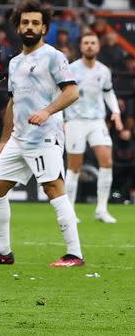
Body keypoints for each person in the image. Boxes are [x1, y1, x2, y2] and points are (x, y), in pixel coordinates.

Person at [0, 1, 83, 267]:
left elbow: (72, 92)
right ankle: (2, 252)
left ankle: (74, 253)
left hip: (45, 136)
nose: (30, 27)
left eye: (35, 23)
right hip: (19, 139)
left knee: (53, 188)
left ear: (44, 27)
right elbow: (13, 103)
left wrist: (47, 111)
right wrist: (3, 140)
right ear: (18, 27)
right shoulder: (15, 63)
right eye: (25, 22)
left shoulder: (54, 56)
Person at [64, 33, 123, 222]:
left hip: (97, 121)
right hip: (75, 121)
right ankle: (69, 211)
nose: (89, 46)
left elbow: (108, 92)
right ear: (81, 47)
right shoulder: (71, 69)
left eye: (93, 43)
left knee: (107, 162)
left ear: (98, 47)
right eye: (86, 43)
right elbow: (61, 94)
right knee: (74, 167)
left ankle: (101, 209)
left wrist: (115, 112)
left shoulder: (103, 70)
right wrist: (61, 119)